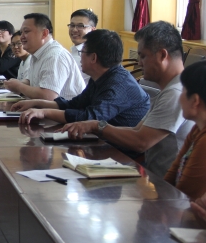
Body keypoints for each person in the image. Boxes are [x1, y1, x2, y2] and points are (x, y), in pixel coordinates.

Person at [60, 21, 194, 178]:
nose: (139, 63)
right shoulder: (171, 89)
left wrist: (98, 126)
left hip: (172, 188)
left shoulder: (176, 93)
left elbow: (141, 142)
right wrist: (93, 125)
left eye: (143, 56)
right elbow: (137, 130)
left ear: (163, 55)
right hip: (156, 179)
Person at [13, 30, 150, 127]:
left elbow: (90, 118)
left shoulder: (117, 84)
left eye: (82, 52)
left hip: (120, 153)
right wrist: (37, 104)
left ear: (94, 58)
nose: (80, 57)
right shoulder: (100, 77)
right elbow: (74, 104)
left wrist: (44, 113)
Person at [3, 13, 84, 100]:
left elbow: (48, 96)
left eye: (26, 32)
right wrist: (15, 84)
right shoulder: (37, 53)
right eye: (21, 32)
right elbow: (33, 81)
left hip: (66, 112)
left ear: (44, 33)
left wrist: (19, 86)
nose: (22, 37)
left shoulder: (55, 56)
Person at [164, 61, 206, 200]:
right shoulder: (197, 129)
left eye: (183, 90)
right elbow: (172, 175)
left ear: (195, 100)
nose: (180, 97)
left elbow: (185, 195)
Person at [68, 9, 97, 84]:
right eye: (72, 25)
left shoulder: (91, 54)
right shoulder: (75, 51)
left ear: (92, 30)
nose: (74, 30)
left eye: (80, 26)